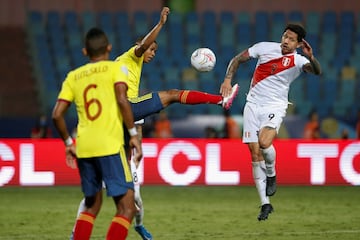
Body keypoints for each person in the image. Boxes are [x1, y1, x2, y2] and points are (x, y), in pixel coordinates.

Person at [71, 7, 239, 240]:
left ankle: (125, 227)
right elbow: (141, 47)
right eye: (152, 48)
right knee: (171, 94)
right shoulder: (132, 55)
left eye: (155, 50)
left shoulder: (129, 73)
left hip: (117, 125)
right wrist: (160, 25)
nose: (152, 53)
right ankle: (221, 99)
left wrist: (134, 141)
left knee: (121, 197)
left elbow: (135, 127)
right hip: (124, 107)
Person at [220, 23, 321, 221]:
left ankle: (272, 174)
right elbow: (237, 59)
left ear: (299, 44)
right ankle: (265, 204)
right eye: (285, 36)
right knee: (254, 152)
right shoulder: (264, 47)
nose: (286, 41)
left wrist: (311, 57)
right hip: (252, 104)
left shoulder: (299, 60)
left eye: (291, 39)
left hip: (274, 106)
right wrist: (227, 80)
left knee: (265, 143)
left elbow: (316, 71)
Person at [53, 27, 142, 240]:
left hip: (84, 147)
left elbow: (56, 115)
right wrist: (133, 134)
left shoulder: (73, 77)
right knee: (127, 208)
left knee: (92, 204)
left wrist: (68, 142)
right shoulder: (115, 69)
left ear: (85, 51)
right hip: (109, 145)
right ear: (109, 48)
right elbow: (122, 100)